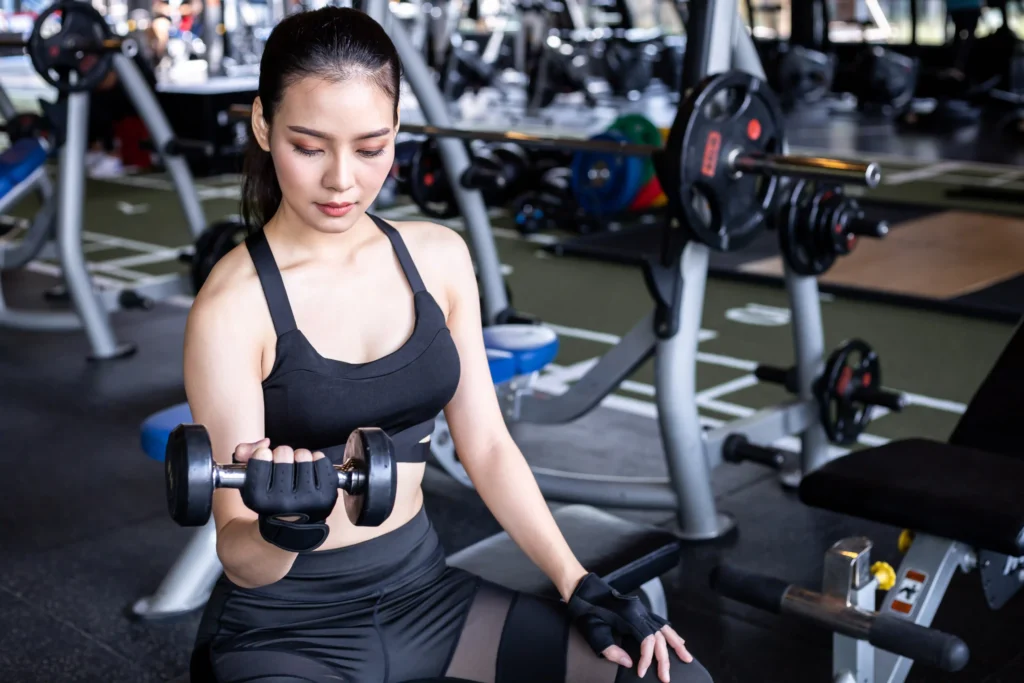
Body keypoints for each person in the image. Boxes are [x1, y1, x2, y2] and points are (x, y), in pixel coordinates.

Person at [183, 7, 713, 683]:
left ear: (396, 129)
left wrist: (577, 581)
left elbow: (486, 445)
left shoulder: (437, 258)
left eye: (370, 148)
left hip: (426, 599)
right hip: (286, 628)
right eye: (310, 147)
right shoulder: (232, 307)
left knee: (674, 678)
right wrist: (281, 528)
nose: (342, 179)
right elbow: (237, 554)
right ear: (263, 124)